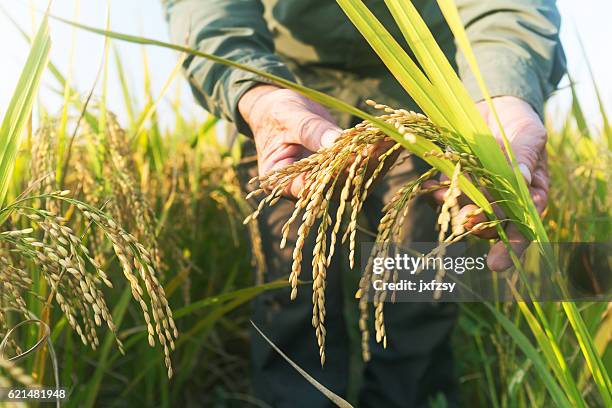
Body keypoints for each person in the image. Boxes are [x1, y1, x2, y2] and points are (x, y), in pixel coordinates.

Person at [163, 0, 565, 406]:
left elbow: (505, 6)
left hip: (423, 88)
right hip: (283, 84)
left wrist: (504, 95)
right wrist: (252, 87)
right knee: (289, 286)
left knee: (417, 286)